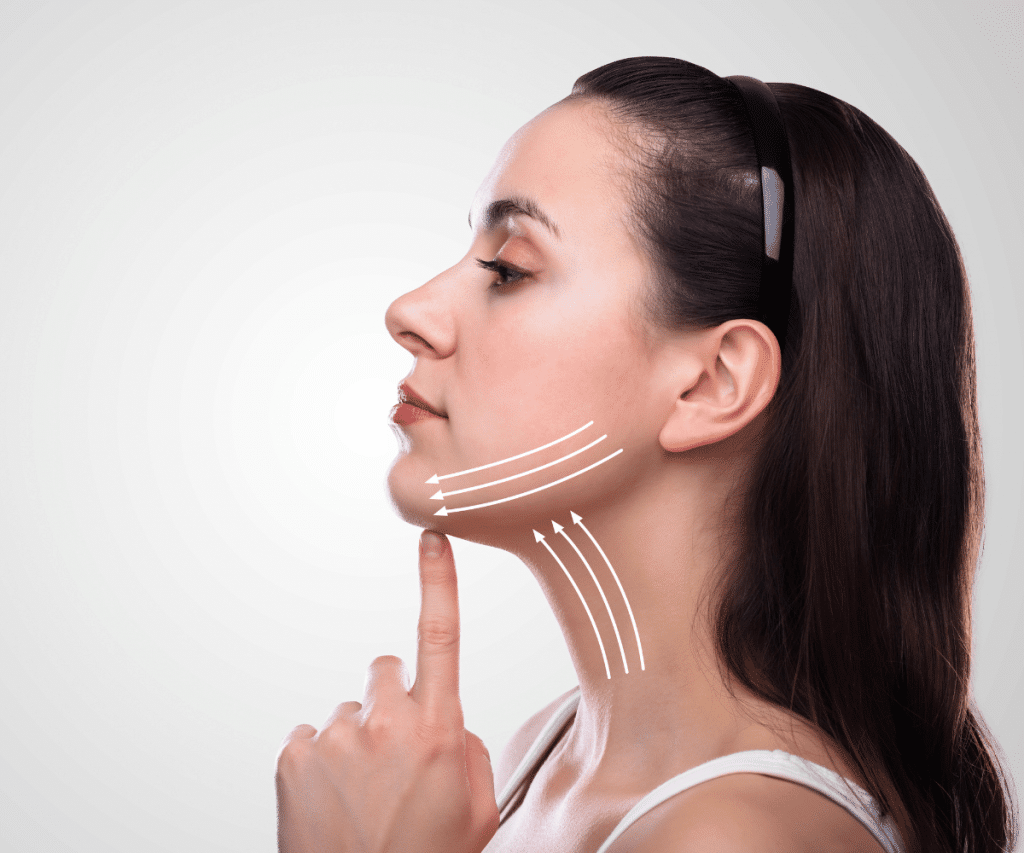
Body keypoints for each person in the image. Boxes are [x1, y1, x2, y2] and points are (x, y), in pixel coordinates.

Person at [274, 56, 1018, 853]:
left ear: (711, 382)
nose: (412, 310)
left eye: (508, 269)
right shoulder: (537, 755)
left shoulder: (735, 839)